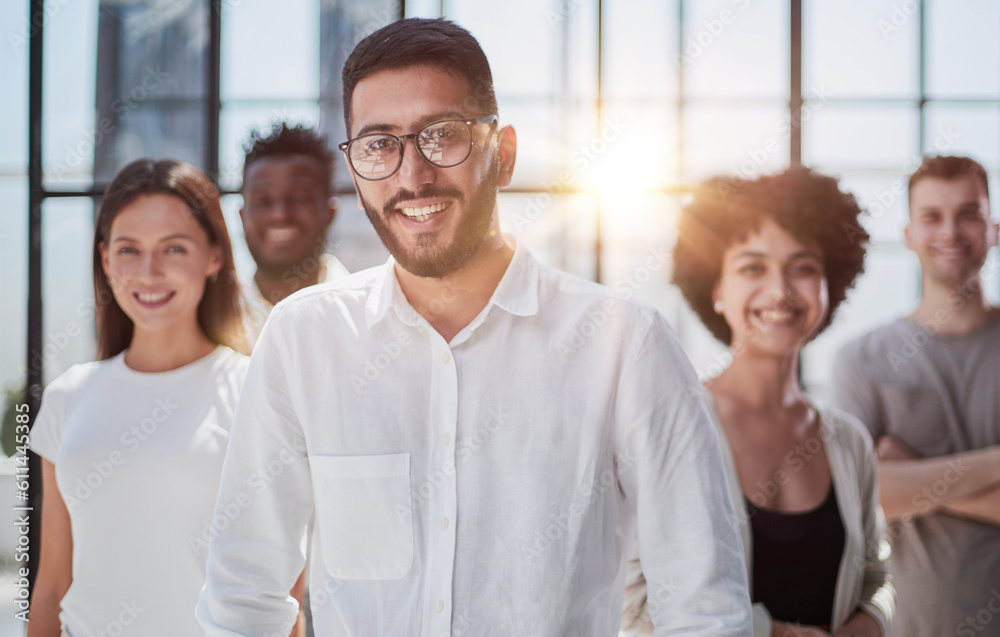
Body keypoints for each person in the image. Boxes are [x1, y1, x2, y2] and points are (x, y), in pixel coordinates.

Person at [197, 17, 751, 636]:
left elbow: (703, 610)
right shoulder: (304, 340)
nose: (413, 176)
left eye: (443, 135)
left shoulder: (627, 345)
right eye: (380, 144)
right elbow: (244, 595)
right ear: (354, 172)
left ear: (504, 153)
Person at [624, 168, 895, 637]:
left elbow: (877, 576)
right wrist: (777, 633)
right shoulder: (672, 427)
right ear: (716, 289)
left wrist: (869, 624)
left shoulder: (848, 440)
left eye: (803, 267)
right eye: (753, 267)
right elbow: (632, 601)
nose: (781, 290)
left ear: (830, 284)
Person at [27, 159, 250, 636]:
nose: (149, 272)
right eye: (129, 250)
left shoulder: (253, 392)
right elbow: (50, 588)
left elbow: (280, 592)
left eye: (174, 248)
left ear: (214, 256)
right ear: (106, 261)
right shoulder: (68, 396)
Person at [832, 155, 1000, 637]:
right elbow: (858, 495)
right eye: (931, 216)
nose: (950, 231)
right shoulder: (861, 359)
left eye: (968, 213)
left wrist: (911, 477)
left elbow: (881, 487)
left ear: (993, 228)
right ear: (908, 234)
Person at [240, 122, 350, 344]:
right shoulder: (208, 323)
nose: (280, 215)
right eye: (263, 200)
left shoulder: (368, 314)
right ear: (243, 216)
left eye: (299, 198)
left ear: (330, 213)